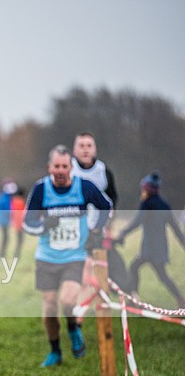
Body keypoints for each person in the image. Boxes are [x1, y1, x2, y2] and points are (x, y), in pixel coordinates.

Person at [23, 145, 112, 367]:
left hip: (74, 256)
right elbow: (27, 222)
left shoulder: (84, 187)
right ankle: (55, 351)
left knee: (68, 301)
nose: (61, 170)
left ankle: (73, 329)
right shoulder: (41, 189)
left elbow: (106, 207)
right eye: (57, 166)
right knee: (50, 307)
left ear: (71, 167)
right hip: (46, 257)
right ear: (49, 168)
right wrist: (44, 225)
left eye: (65, 166)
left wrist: (95, 231)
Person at [113, 172, 185, 307]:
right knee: (143, 270)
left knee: (142, 270)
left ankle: (134, 298)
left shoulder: (147, 203)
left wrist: (123, 233)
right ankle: (134, 298)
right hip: (160, 248)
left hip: (150, 249)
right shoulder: (164, 204)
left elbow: (137, 221)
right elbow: (175, 228)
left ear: (147, 189)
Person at [70, 132, 118, 320]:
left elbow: (113, 202)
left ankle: (95, 312)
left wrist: (108, 225)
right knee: (80, 270)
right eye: (81, 145)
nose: (85, 149)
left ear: (95, 149)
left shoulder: (104, 171)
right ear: (75, 150)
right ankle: (79, 310)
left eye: (89, 145)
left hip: (98, 229)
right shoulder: (68, 169)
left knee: (97, 269)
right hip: (74, 229)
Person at [0, 179, 17, 258]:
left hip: (4, 220)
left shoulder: (5, 197)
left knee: (6, 238)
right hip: (3, 221)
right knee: (5, 238)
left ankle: (2, 254)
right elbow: (8, 210)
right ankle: (2, 254)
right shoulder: (4, 198)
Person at [9, 186, 26, 260]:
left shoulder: (13, 201)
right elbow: (23, 214)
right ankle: (17, 255)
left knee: (18, 240)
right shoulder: (21, 202)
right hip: (20, 224)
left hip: (16, 224)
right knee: (20, 241)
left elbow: (12, 213)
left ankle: (16, 255)